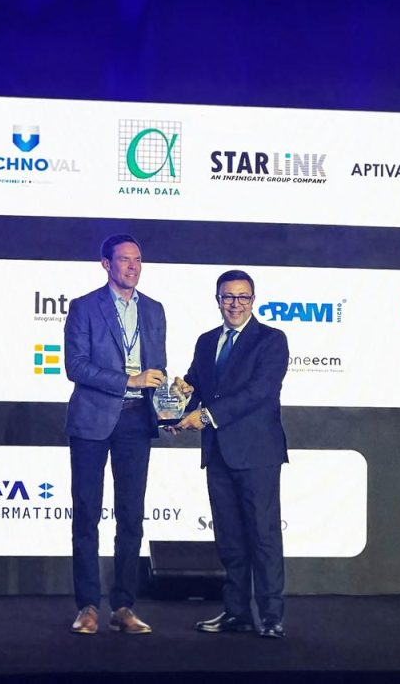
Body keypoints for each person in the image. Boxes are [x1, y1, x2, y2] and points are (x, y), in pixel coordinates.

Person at [174, 269, 289, 639]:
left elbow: (259, 392)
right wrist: (176, 406)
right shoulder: (207, 341)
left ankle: (271, 617)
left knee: (264, 536)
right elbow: (195, 386)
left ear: (253, 301)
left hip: (257, 453)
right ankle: (236, 612)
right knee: (230, 540)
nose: (235, 304)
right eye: (228, 297)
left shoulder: (271, 340)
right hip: (219, 454)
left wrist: (206, 416)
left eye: (243, 297)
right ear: (218, 300)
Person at [64, 234, 166, 635]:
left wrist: (168, 404)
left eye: (137, 259)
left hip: (137, 420)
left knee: (131, 516)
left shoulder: (154, 309)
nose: (133, 266)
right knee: (87, 514)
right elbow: (76, 366)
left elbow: (157, 367)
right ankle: (88, 606)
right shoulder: (84, 307)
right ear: (106, 264)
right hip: (92, 419)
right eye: (124, 259)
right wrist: (129, 379)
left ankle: (123, 606)